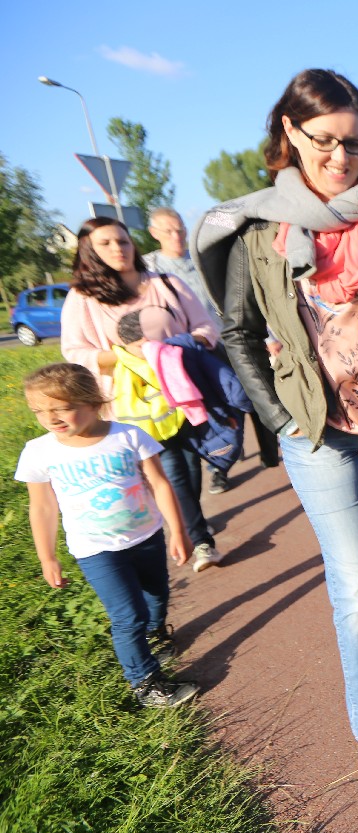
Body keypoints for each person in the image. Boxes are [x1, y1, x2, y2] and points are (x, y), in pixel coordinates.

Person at [192, 68, 358, 794]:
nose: (342, 157)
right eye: (326, 140)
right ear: (290, 134)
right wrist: (280, 420)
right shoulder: (257, 233)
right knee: (353, 581)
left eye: (354, 143)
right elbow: (238, 332)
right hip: (317, 434)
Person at [16, 363, 199, 708]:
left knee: (157, 595)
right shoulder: (39, 452)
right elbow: (41, 508)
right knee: (128, 616)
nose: (50, 418)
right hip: (95, 550)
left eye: (61, 408)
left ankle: (154, 635)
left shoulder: (128, 436)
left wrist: (178, 530)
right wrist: (47, 557)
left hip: (146, 537)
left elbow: (159, 483)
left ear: (93, 402)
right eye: (39, 410)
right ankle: (145, 682)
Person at [61, 217, 224, 573]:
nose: (118, 248)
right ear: (89, 251)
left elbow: (206, 327)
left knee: (189, 466)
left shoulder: (165, 284)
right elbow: (74, 352)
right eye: (105, 243)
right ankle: (200, 540)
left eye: (122, 240)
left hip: (183, 393)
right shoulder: (82, 298)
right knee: (170, 469)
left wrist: (175, 346)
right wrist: (124, 355)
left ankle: (189, 521)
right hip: (131, 403)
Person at [146, 208, 280, 490]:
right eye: (168, 231)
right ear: (154, 233)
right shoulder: (150, 269)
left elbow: (238, 299)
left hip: (226, 342)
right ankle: (219, 465)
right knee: (215, 408)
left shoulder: (202, 260)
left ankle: (270, 454)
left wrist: (268, 337)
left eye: (180, 229)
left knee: (252, 393)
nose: (176, 235)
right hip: (185, 354)